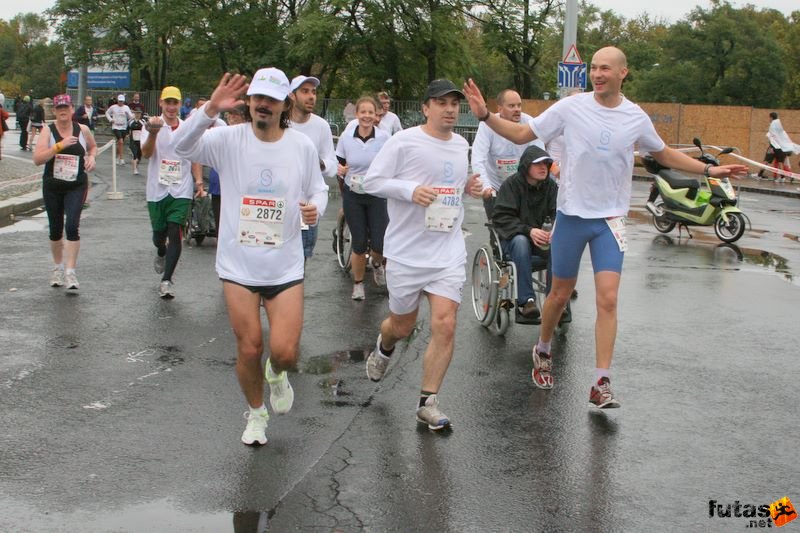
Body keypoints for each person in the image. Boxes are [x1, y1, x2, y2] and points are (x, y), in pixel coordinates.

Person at [463, 46, 748, 407]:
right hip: (571, 217)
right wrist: (486, 115)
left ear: (623, 73)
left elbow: (662, 154)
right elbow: (522, 135)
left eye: (605, 69)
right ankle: (543, 348)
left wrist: (709, 170)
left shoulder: (635, 117)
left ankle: (601, 382)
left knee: (608, 299)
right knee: (558, 294)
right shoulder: (571, 107)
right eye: (594, 68)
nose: (598, 74)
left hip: (609, 221)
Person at [173, 69, 328, 446]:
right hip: (238, 265)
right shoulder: (227, 139)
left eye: (271, 99)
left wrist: (314, 210)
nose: (263, 104)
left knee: (286, 352)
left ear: (284, 105)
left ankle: (277, 374)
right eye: (258, 97)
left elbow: (318, 189)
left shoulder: (301, 146)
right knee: (249, 346)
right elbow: (180, 146)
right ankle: (257, 413)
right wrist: (210, 108)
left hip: (285, 263)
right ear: (250, 101)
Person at [363, 79, 482, 431]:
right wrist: (409, 189)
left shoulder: (462, 144)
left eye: (454, 104)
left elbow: (453, 187)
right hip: (407, 252)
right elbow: (372, 181)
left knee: (445, 323)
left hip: (447, 250)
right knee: (402, 325)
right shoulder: (403, 142)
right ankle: (384, 346)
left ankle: (427, 402)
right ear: (425, 107)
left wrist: (468, 187)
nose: (449, 109)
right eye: (441, 103)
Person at [32, 94, 97, 290]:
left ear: (71, 109)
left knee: (71, 226)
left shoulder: (82, 130)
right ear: (54, 111)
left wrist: (92, 158)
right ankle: (57, 267)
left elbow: (93, 147)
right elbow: (37, 159)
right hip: (53, 185)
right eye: (59, 108)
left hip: (76, 185)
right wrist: (59, 146)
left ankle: (70, 272)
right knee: (55, 228)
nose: (62, 111)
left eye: (66, 107)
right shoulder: (47, 131)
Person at [140, 85, 199, 299]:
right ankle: (160, 251)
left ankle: (167, 280)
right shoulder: (151, 125)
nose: (172, 107)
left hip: (181, 189)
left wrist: (199, 181)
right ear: (161, 103)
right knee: (159, 235)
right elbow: (146, 154)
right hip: (157, 190)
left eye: (175, 103)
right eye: (168, 102)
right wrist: (154, 133)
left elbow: (194, 156)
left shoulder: (187, 128)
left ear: (180, 104)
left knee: (175, 231)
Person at [492, 144, 558, 321]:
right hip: (513, 242)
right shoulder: (511, 186)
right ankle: (526, 301)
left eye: (546, 164)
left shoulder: (551, 187)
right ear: (526, 165)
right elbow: (502, 217)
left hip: (541, 244)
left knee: (560, 245)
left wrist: (553, 230)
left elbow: (557, 213)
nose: (543, 167)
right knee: (521, 240)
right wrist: (529, 231)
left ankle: (555, 301)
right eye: (538, 164)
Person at [335, 96, 390, 300]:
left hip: (376, 194)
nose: (367, 116)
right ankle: (358, 284)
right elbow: (338, 162)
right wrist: (340, 168)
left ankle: (376, 264)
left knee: (380, 243)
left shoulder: (384, 138)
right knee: (358, 243)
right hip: (353, 194)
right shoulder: (346, 137)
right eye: (363, 112)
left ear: (376, 116)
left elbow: (392, 161)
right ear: (357, 114)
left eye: (370, 112)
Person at [471, 88, 544, 219]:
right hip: (495, 188)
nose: (517, 109)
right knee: (498, 231)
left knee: (522, 231)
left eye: (519, 105)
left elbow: (538, 156)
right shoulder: (487, 125)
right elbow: (478, 158)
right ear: (500, 109)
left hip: (523, 188)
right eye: (511, 106)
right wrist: (486, 187)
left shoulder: (530, 123)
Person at [288, 75, 337, 261]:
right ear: (292, 96)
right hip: (279, 206)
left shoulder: (321, 126)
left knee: (300, 265)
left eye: (314, 92)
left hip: (306, 208)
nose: (311, 97)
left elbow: (332, 165)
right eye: (305, 91)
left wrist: (319, 162)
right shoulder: (279, 123)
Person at [765, 112, 798, 183]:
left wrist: (772, 147)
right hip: (782, 148)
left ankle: (783, 177)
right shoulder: (778, 126)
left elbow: (773, 137)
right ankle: (785, 176)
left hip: (778, 148)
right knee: (781, 163)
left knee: (780, 163)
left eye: (769, 118)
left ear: (771, 117)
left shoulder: (773, 126)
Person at [106, 94, 133, 165]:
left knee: (120, 143)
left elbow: (131, 117)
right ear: (117, 100)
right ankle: (121, 158)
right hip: (116, 126)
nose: (121, 102)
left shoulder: (126, 107)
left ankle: (116, 157)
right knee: (120, 141)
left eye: (122, 101)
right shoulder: (113, 107)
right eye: (119, 101)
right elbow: (107, 113)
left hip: (124, 127)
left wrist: (128, 114)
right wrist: (110, 119)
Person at [128, 109, 147, 175]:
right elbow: (128, 129)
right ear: (134, 114)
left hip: (140, 140)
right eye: (136, 113)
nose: (137, 115)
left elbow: (146, 130)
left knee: (139, 156)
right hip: (133, 140)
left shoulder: (143, 121)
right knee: (135, 154)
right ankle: (135, 169)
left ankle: (136, 164)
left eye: (139, 113)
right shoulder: (130, 121)